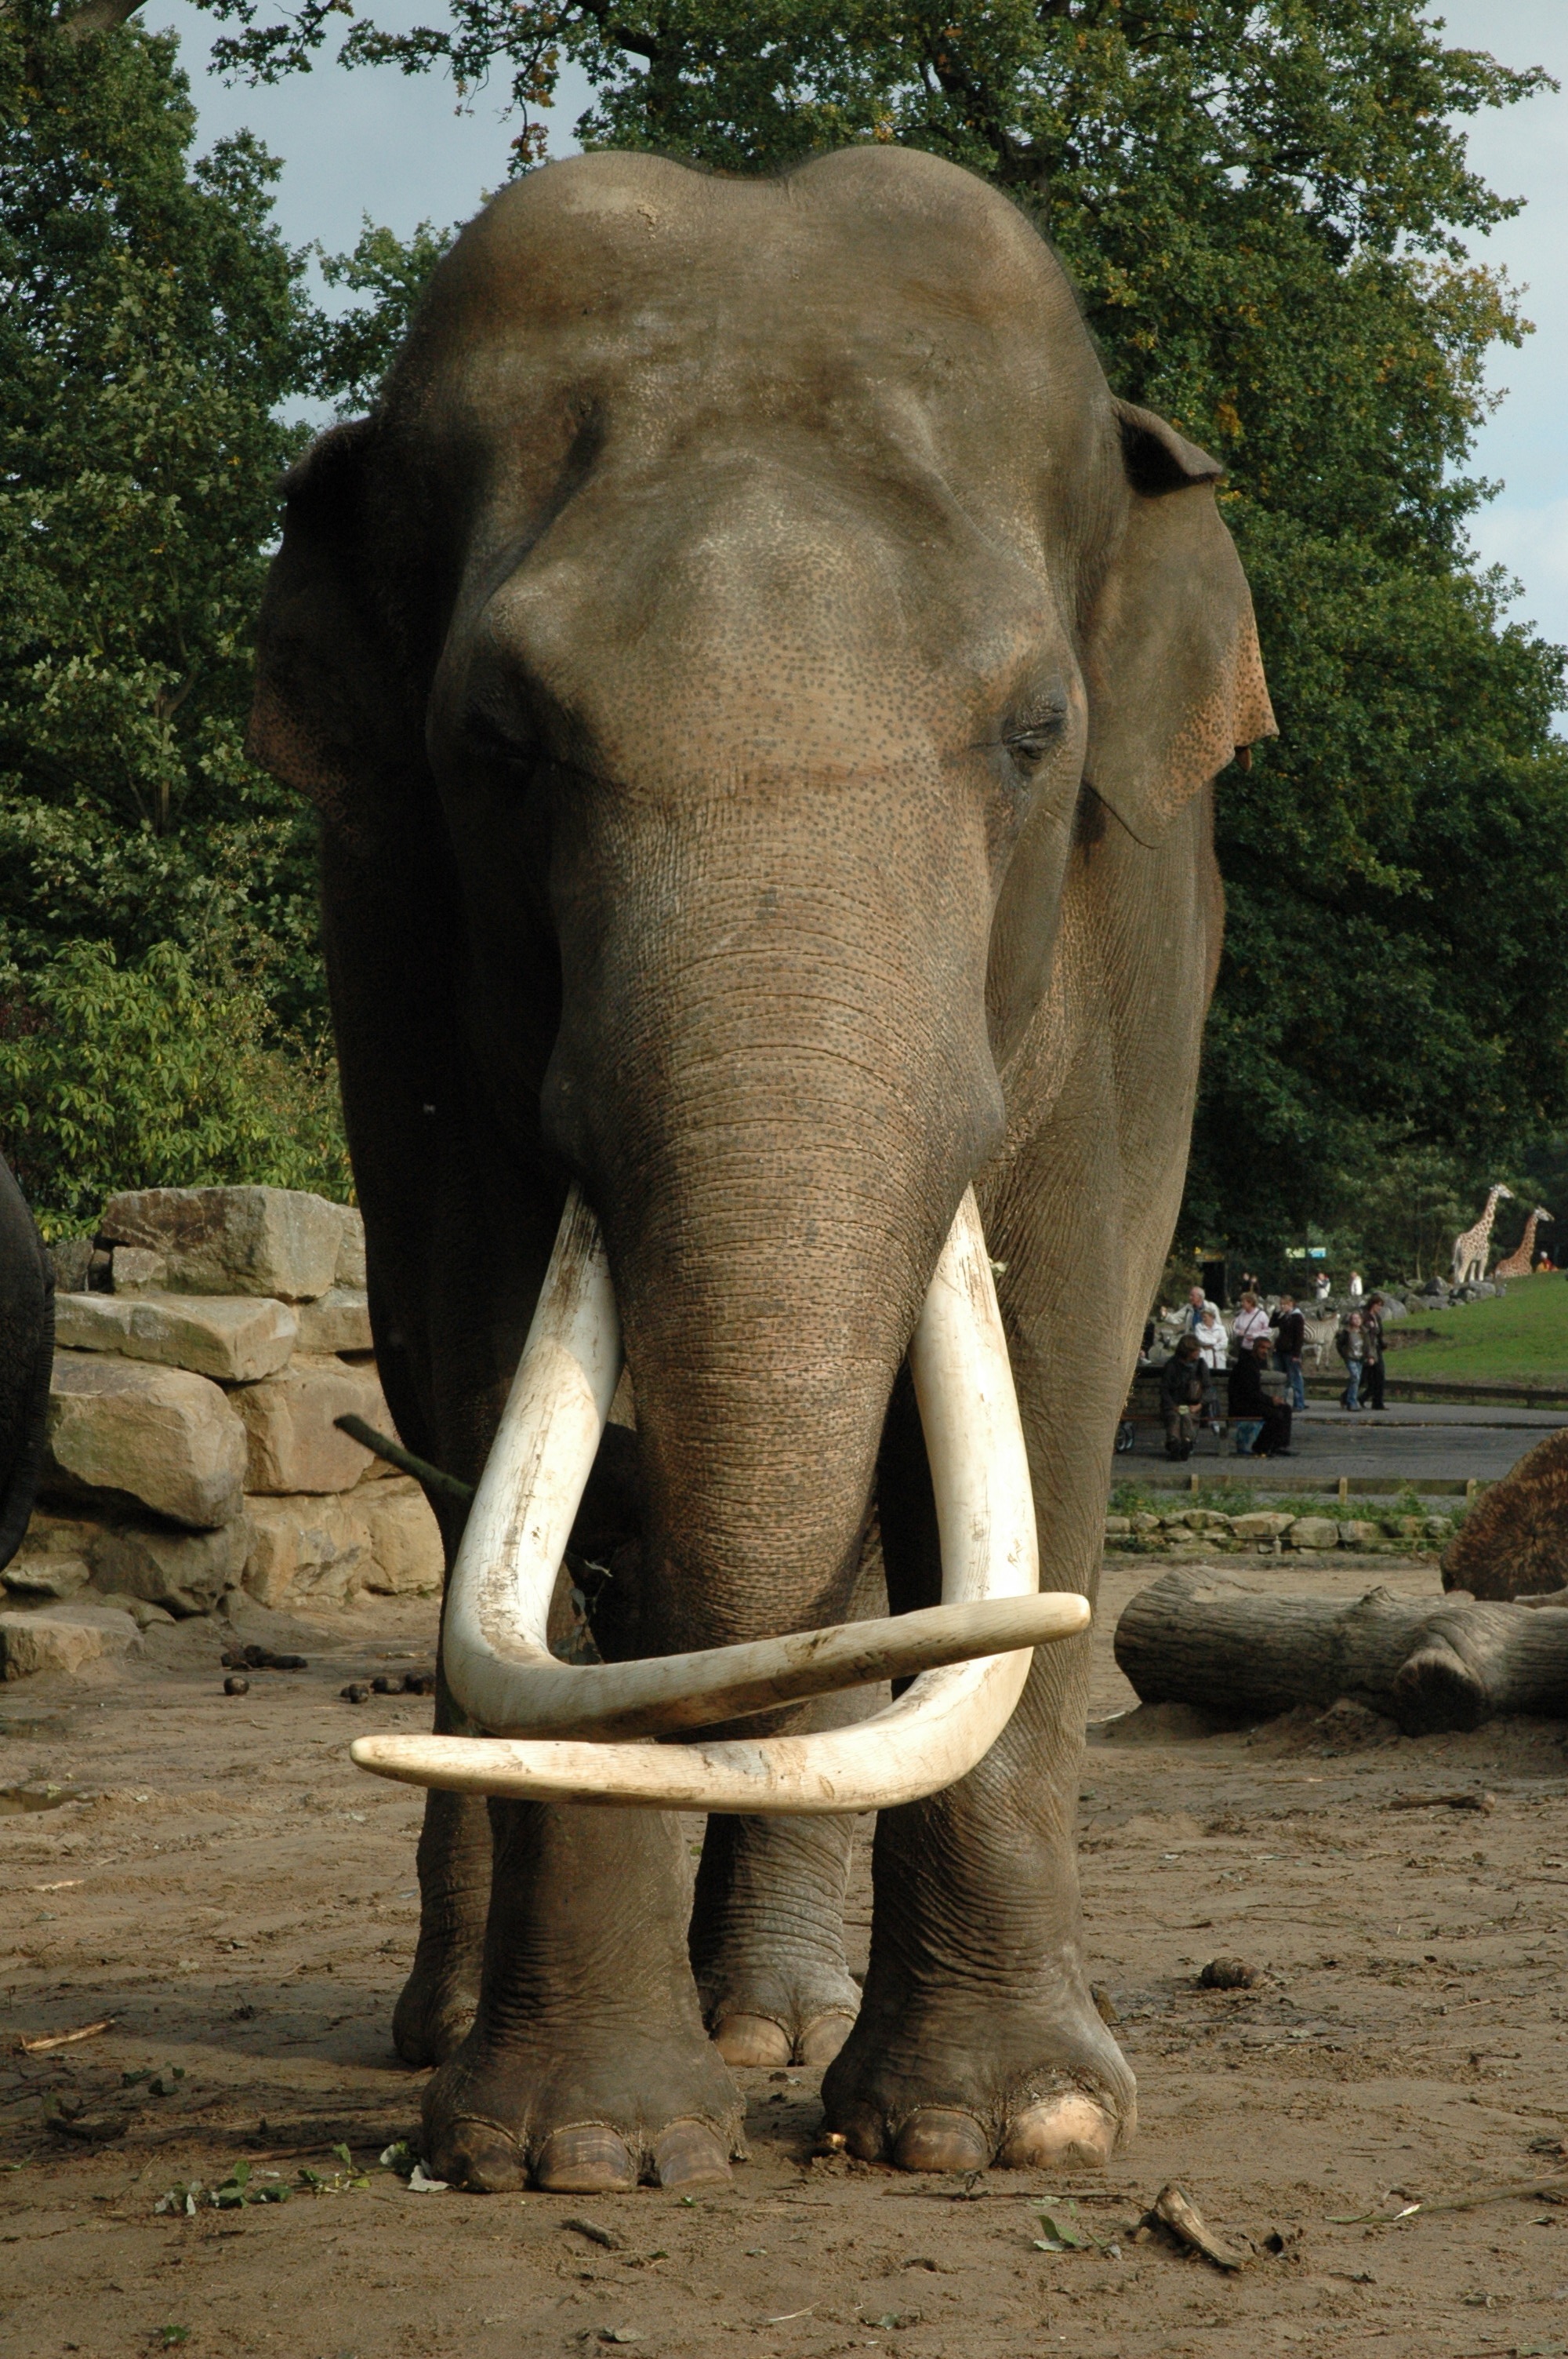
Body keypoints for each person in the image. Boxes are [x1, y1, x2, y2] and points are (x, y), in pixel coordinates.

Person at [1229, 1336, 1293, 1456]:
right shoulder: (1246, 1365)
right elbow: (1250, 1393)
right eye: (1262, 1348)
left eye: (1268, 1349)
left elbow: (1255, 1393)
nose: (1265, 1352)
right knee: (1275, 1415)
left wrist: (1272, 1401)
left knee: (1285, 1409)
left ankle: (1278, 1445)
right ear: (1255, 1348)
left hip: (1251, 1402)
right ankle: (1260, 1448)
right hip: (1242, 1405)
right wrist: (1271, 1401)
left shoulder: (1255, 1363)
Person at [1160, 1334, 1205, 1459]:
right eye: (1195, 1350)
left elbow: (1208, 1388)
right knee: (1175, 1416)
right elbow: (1164, 1390)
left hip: (1191, 1405)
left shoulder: (1200, 1365)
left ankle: (1186, 1441)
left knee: (1186, 1415)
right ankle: (1174, 1442)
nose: (1198, 1353)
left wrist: (1199, 1405)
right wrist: (1172, 1405)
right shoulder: (1172, 1366)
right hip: (1174, 1405)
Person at [1271, 1293, 1307, 1412]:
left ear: (1291, 1304)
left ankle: (1299, 1403)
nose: (1282, 1307)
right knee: (1282, 1377)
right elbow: (1272, 1324)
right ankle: (1282, 1401)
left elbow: (1299, 1337)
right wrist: (1276, 1312)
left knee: (1295, 1377)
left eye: (1284, 1304)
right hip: (1281, 1349)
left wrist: (1296, 1354)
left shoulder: (1297, 1317)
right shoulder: (1285, 1316)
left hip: (1291, 1351)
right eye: (1281, 1304)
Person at [1336, 1309, 1367, 1409]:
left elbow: (1368, 1345)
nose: (1357, 1320)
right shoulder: (1347, 1332)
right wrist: (1344, 1354)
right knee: (1356, 1377)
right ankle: (1352, 1402)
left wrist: (1368, 1356)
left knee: (1355, 1380)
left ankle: (1346, 1398)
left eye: (1358, 1318)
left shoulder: (1364, 1332)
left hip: (1360, 1358)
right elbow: (1339, 1344)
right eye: (1354, 1318)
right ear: (1351, 1321)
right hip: (1350, 1358)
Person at [1362, 1293, 1387, 1410]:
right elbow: (1364, 1333)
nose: (1380, 1308)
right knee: (1367, 1377)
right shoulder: (1365, 1316)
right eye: (1378, 1305)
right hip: (1369, 1348)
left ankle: (1377, 1402)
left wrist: (1382, 1344)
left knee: (1379, 1376)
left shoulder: (1377, 1317)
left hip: (1376, 1348)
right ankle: (1351, 1397)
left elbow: (1379, 1333)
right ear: (1373, 1304)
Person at [1231, 1289, 1270, 1354]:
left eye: (1244, 1302)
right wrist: (1239, 1332)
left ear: (1251, 1303)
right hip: (1243, 1347)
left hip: (1256, 1349)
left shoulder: (1261, 1315)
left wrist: (1254, 1336)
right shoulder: (1242, 1314)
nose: (1242, 1304)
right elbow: (1235, 1327)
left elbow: (1268, 1330)